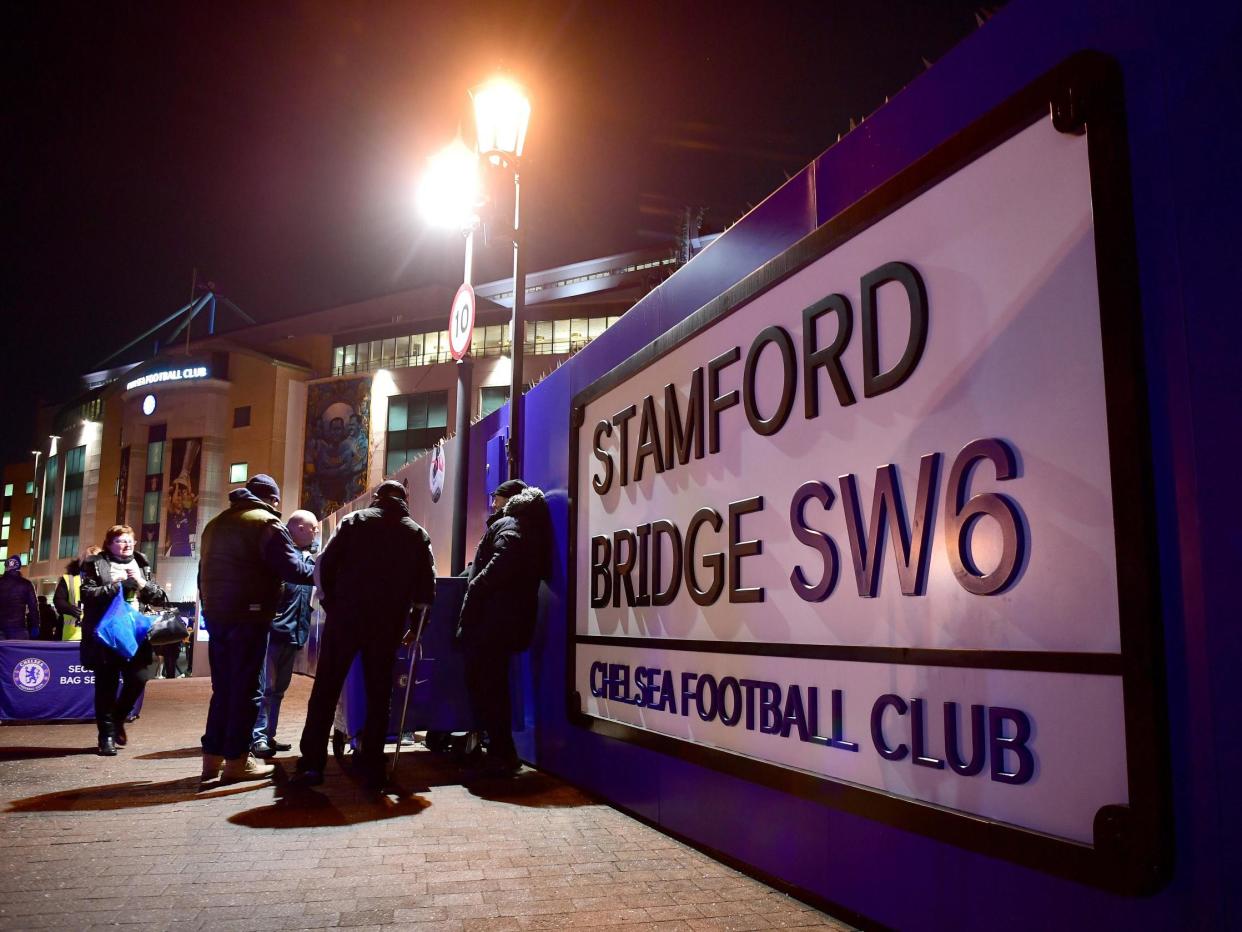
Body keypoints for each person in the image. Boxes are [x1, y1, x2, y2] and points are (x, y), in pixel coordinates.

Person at [294, 480, 435, 790]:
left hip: (346, 619)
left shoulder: (354, 521)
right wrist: (416, 627)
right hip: (387, 624)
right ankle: (372, 763)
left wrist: (331, 604)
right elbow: (426, 588)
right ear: (405, 500)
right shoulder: (416, 533)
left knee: (326, 690)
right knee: (379, 693)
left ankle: (311, 765)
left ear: (376, 498)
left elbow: (324, 566)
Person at [198, 475, 314, 784]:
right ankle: (237, 760)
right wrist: (327, 570)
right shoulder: (265, 523)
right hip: (249, 614)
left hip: (216, 613)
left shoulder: (216, 524)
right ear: (272, 500)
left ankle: (212, 759)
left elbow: (202, 573)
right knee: (249, 688)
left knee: (222, 688)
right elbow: (294, 569)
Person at [456, 479, 552, 777]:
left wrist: (475, 586)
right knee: (494, 685)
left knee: (489, 686)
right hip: (508, 620)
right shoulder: (529, 525)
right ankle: (499, 748)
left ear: (506, 499)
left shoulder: (510, 523)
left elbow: (503, 559)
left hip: (493, 621)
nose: (492, 503)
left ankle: (501, 751)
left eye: (495, 498)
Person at [79, 526, 169, 755]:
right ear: (109, 544)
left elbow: (159, 597)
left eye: (130, 540)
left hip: (136, 631)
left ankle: (118, 717)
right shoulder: (95, 563)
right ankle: (106, 736)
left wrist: (141, 583)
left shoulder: (141, 562)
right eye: (120, 541)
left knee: (140, 677)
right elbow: (87, 594)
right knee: (106, 685)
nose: (127, 544)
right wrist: (116, 586)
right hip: (108, 632)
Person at [251, 509, 319, 758]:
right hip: (274, 632)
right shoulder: (281, 556)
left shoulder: (308, 560)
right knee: (266, 687)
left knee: (277, 689)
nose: (316, 532)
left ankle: (268, 735)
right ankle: (258, 737)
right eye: (313, 528)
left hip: (293, 633)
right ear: (299, 528)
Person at [53, 548, 98, 642]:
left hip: (97, 634)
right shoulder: (70, 579)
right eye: (89, 560)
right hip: (73, 635)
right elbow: (58, 600)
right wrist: (68, 608)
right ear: (83, 561)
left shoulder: (104, 579)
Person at [0, 556, 39, 640]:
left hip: (1, 628)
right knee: (18, 652)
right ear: (19, 567)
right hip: (18, 629)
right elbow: (33, 607)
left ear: (6, 567)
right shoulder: (26, 584)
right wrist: (35, 625)